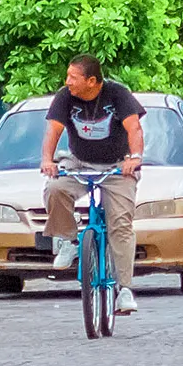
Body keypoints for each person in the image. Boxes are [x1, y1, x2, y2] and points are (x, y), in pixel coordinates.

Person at [42, 55, 145, 316]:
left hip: (116, 166)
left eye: (73, 78)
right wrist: (47, 161)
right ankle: (68, 240)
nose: (68, 82)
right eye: (67, 77)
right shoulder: (65, 97)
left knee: (120, 224)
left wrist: (134, 159)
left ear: (91, 81)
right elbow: (53, 131)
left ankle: (125, 290)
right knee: (55, 189)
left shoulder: (117, 94)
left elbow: (134, 129)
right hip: (79, 162)